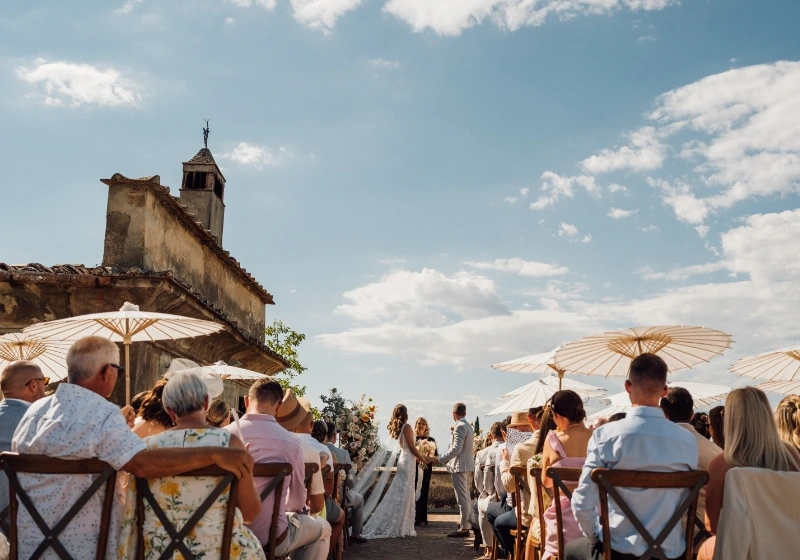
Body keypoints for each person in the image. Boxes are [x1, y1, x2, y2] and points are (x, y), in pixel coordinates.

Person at [11, 336, 253, 559]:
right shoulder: (102, 414)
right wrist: (214, 452)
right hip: (92, 548)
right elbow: (142, 464)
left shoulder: (33, 413)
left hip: (31, 545)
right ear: (107, 372)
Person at [117, 371, 264, 559]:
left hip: (160, 552)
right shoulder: (229, 443)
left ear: (169, 411)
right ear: (205, 403)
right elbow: (250, 513)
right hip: (219, 551)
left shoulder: (148, 448)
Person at [566, 353, 699, 560]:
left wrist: (595, 539)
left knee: (571, 551)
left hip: (619, 552)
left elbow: (582, 502)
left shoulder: (605, 436)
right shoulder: (687, 441)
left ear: (628, 386)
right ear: (665, 391)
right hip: (671, 553)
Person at [231, 379, 331, 560]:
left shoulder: (224, 435)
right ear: (279, 407)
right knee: (317, 529)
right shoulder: (291, 443)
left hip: (229, 536)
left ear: (246, 401)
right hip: (271, 538)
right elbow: (297, 501)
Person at [697, 387, 800, 560]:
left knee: (705, 549)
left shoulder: (721, 464)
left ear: (730, 420)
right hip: (790, 549)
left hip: (746, 552)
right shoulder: (792, 456)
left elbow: (713, 526)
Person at [358, 404, 433, 539]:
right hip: (408, 462)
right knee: (405, 491)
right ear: (405, 413)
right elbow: (411, 447)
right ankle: (402, 525)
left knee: (402, 491)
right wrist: (422, 458)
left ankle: (401, 524)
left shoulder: (400, 429)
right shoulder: (407, 427)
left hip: (405, 460)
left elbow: (406, 447)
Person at [540, 393, 592, 560]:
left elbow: (546, 482)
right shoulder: (598, 437)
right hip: (596, 518)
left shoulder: (553, 441)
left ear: (558, 416)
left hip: (564, 523)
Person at [660, 387, 721, 521]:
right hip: (702, 536)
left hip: (661, 536)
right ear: (692, 414)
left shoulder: (653, 451)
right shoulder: (717, 455)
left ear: (664, 415)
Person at [0, 361, 47, 516]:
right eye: (45, 381)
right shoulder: (40, 423)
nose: (46, 388)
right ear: (33, 385)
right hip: (28, 522)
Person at [494, 408, 540, 556]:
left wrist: (504, 463)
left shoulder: (520, 448)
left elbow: (508, 486)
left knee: (498, 521)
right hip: (561, 510)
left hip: (529, 511)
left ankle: (515, 554)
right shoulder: (554, 444)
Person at [438, 402, 475, 538]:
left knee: (462, 499)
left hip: (460, 466)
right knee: (465, 497)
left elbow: (456, 449)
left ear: (454, 414)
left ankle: (465, 528)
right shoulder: (468, 426)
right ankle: (465, 523)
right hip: (466, 465)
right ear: (464, 412)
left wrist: (441, 459)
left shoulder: (459, 426)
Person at [325, 421, 366, 544]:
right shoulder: (343, 453)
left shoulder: (312, 449)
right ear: (334, 436)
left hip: (314, 497)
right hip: (339, 496)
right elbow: (351, 480)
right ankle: (355, 534)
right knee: (359, 500)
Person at [477, 422, 503, 558]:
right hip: (512, 497)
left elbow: (482, 485)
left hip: (494, 496)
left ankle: (489, 548)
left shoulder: (483, 453)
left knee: (482, 505)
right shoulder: (513, 448)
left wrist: (485, 492)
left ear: (491, 435)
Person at [413, 417, 437, 527]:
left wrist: (428, 459)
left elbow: (435, 457)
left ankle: (422, 517)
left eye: (423, 424)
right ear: (416, 425)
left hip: (426, 468)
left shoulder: (431, 440)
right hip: (414, 467)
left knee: (424, 490)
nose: (421, 425)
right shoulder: (413, 438)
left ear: (426, 426)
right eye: (419, 423)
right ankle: (414, 517)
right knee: (414, 490)